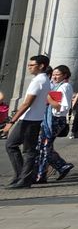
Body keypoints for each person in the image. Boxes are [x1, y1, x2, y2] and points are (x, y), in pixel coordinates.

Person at [4, 54, 50, 187]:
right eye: (28, 65)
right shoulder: (44, 79)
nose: (29, 67)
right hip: (34, 118)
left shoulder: (38, 81)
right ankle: (21, 176)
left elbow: (27, 103)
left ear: (41, 66)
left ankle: (24, 178)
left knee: (19, 147)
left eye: (32, 65)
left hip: (29, 119)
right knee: (18, 147)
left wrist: (11, 121)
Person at [36, 64, 74, 184]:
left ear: (65, 75)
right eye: (53, 74)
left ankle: (41, 174)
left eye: (58, 75)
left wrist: (48, 99)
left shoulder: (65, 87)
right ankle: (61, 166)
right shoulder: (56, 86)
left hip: (55, 120)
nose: (55, 77)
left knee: (44, 147)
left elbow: (61, 107)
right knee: (44, 146)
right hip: (49, 118)